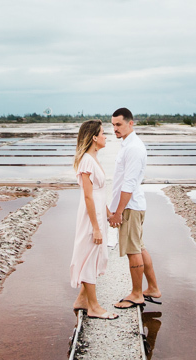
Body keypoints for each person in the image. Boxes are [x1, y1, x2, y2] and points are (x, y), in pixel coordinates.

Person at [107, 107, 162, 309]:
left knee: (133, 251)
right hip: (132, 205)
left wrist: (118, 212)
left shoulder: (133, 148)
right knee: (139, 247)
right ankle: (153, 288)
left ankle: (137, 294)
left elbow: (128, 184)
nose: (115, 129)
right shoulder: (127, 145)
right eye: (113, 125)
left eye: (119, 124)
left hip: (130, 206)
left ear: (131, 123)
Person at [69, 119, 118, 320]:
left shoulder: (93, 159)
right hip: (91, 218)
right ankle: (94, 307)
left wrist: (109, 214)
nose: (106, 136)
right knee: (89, 256)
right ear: (95, 138)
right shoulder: (87, 161)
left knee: (95, 255)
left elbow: (99, 194)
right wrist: (96, 228)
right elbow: (88, 196)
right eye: (103, 133)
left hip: (97, 215)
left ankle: (82, 300)